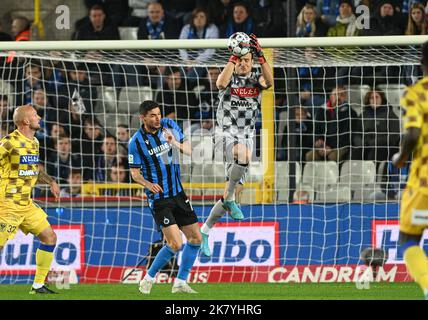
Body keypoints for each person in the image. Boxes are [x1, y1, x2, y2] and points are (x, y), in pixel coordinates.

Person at [199, 33, 273, 256]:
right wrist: (233, 57)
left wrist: (260, 56)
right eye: (241, 60)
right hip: (225, 133)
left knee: (231, 194)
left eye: (246, 60)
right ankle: (230, 198)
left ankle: (205, 229)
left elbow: (270, 82)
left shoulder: (256, 80)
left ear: (251, 62)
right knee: (244, 155)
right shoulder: (229, 77)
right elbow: (220, 82)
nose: (243, 63)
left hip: (246, 136)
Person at [128, 100, 201, 294]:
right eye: (152, 115)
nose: (158, 118)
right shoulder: (135, 142)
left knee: (196, 239)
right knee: (175, 243)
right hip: (159, 198)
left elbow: (190, 151)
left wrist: (173, 142)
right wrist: (148, 184)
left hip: (178, 193)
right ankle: (148, 278)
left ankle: (180, 282)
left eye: (159, 114)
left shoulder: (169, 126)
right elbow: (134, 173)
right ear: (142, 118)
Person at [0, 104, 60, 294]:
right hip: (7, 204)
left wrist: (50, 182)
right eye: (35, 115)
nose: (39, 117)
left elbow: (33, 169)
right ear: (26, 121)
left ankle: (38, 285)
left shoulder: (34, 142)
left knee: (49, 237)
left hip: (26, 204)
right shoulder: (9, 142)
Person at [391, 40, 428, 300]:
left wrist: (401, 157)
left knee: (408, 238)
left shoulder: (415, 92)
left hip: (424, 181)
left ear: (421, 63)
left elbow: (413, 132)